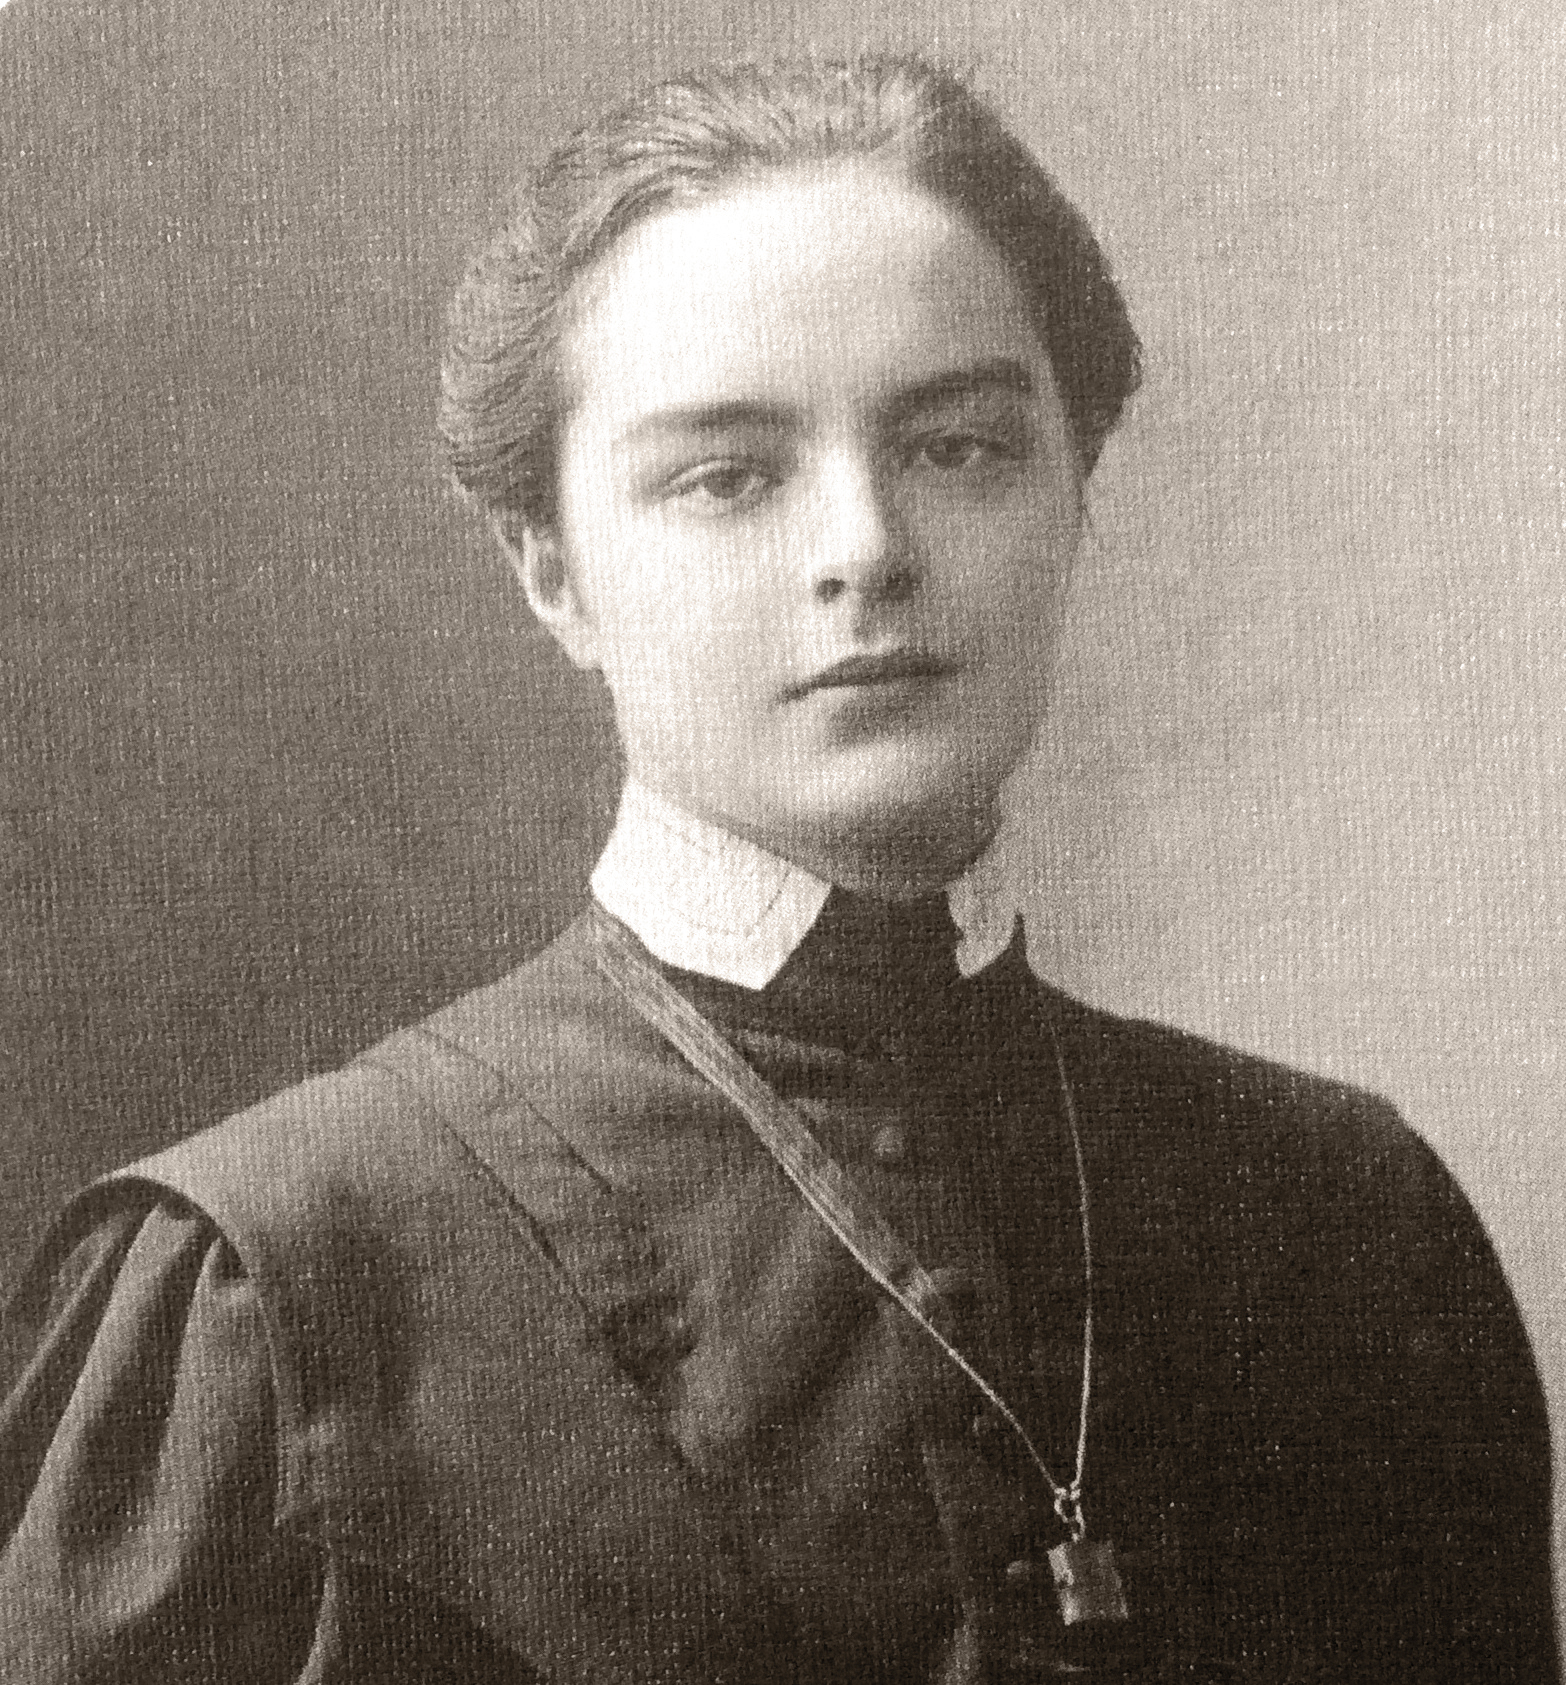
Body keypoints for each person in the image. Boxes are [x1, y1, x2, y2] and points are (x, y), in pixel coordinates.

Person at [0, 54, 1555, 1685]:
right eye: (727, 476)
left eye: (959, 447)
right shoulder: (283, 1282)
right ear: (552, 570)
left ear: (1076, 492)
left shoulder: (1338, 1219)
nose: (864, 548)